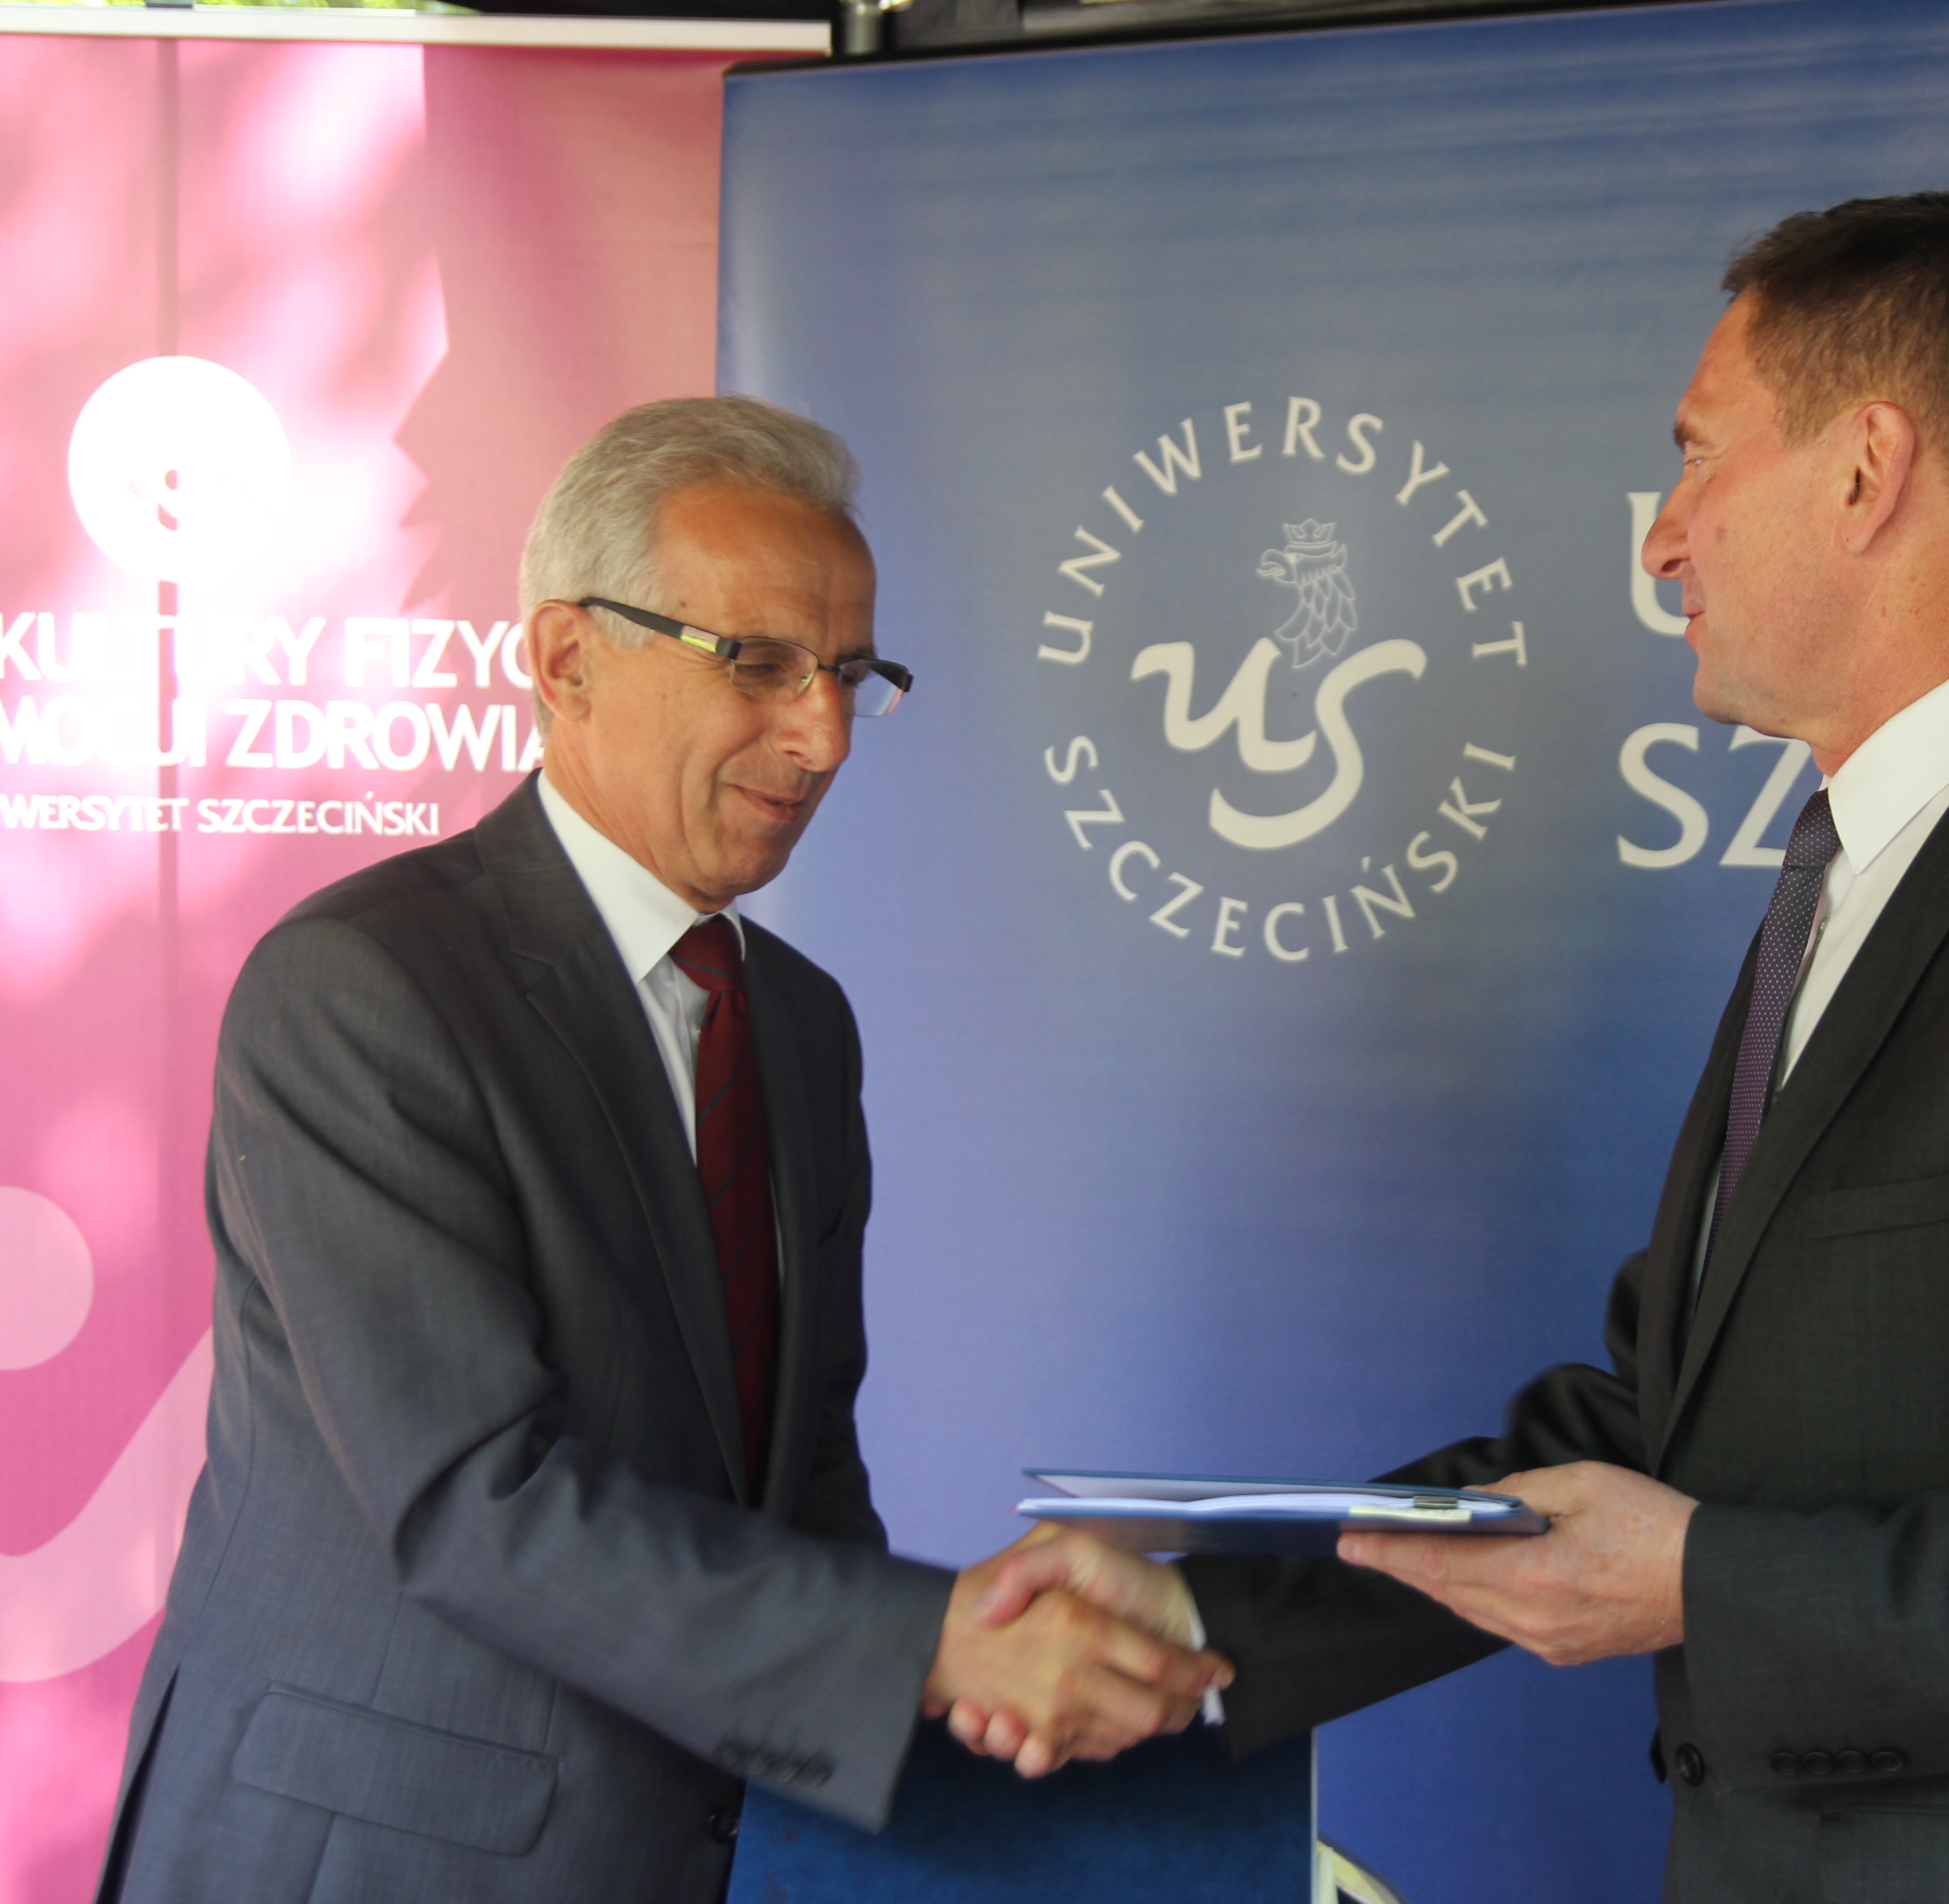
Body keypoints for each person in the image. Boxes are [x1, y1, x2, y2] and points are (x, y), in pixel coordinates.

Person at [968, 195, 1949, 1901]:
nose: (1663, 540)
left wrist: (1706, 1589)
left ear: (1865, 471)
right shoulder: (1855, 865)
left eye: (1698, 458)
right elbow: (1674, 1418)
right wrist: (1207, 1612)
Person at [97, 397, 1227, 1904]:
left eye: (851, 675)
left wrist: (944, 1670)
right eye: (758, 662)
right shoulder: (364, 988)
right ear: (567, 659)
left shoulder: (800, 1026)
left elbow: (801, 1475)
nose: (823, 736)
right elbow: (474, 1498)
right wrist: (925, 1645)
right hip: (367, 1859)